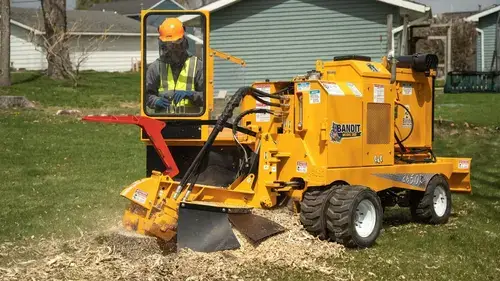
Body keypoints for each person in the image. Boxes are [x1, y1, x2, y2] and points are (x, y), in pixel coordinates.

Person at [146, 18, 204, 113]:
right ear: (163, 45)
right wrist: (157, 101)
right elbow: (147, 95)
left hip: (191, 123)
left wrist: (191, 95)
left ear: (183, 42)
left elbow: (207, 97)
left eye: (176, 44)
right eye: (168, 45)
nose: (172, 49)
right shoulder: (155, 67)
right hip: (163, 124)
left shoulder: (197, 65)